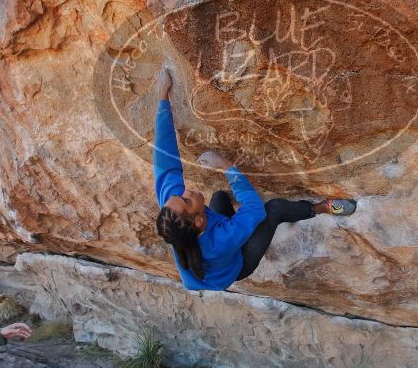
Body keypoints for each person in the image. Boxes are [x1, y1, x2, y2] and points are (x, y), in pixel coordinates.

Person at [153, 67, 357, 291]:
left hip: (217, 240)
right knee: (274, 209)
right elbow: (255, 211)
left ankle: (241, 221)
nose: (186, 192)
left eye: (179, 195)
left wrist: (163, 98)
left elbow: (165, 162)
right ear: (198, 221)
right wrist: (227, 167)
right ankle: (320, 208)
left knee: (220, 197)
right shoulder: (220, 242)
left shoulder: (173, 216)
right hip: (239, 264)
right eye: (187, 200)